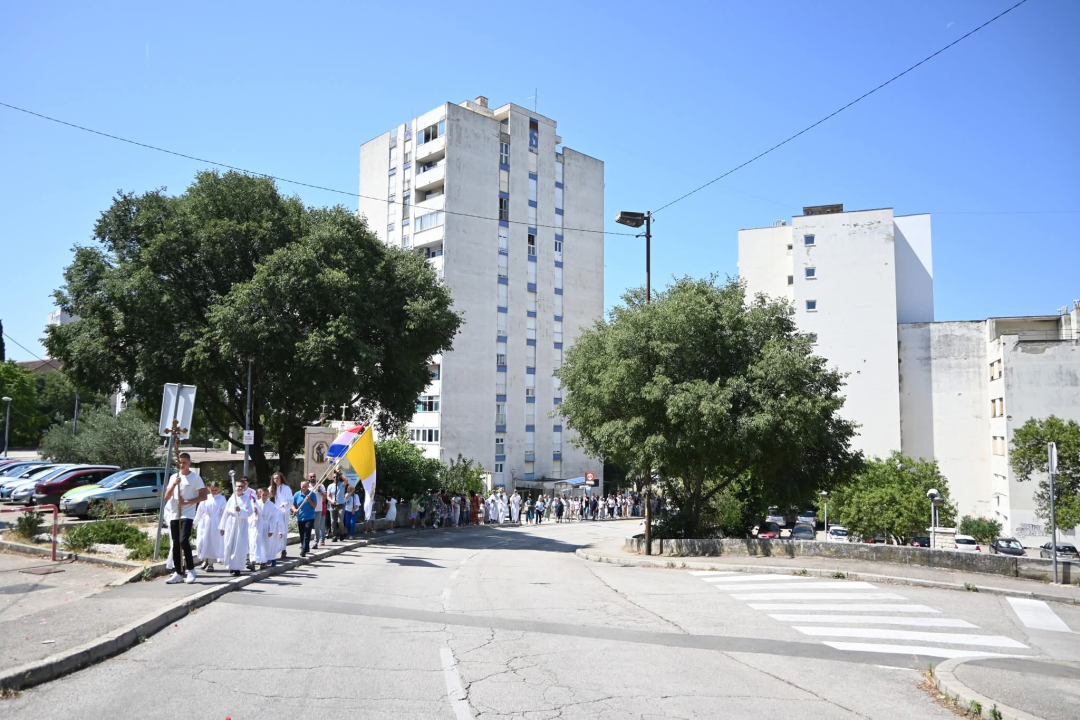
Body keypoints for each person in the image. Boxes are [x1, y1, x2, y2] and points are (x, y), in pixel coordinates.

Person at [163, 453, 208, 584]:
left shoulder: (195, 478)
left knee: (183, 540)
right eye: (180, 462)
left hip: (187, 514)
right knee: (176, 543)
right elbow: (166, 496)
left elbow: (203, 496)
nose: (182, 465)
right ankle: (178, 572)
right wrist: (174, 484)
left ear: (189, 463)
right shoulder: (174, 477)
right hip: (174, 513)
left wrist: (186, 503)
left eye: (184, 462)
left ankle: (191, 570)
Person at [219, 476, 255, 576]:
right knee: (229, 545)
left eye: (241, 486)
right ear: (235, 487)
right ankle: (231, 566)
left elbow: (250, 512)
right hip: (231, 524)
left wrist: (240, 510)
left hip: (241, 524)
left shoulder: (246, 499)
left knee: (239, 546)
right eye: (238, 486)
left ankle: (238, 567)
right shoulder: (232, 498)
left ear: (244, 488)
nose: (239, 488)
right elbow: (226, 512)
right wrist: (222, 527)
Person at [194, 482, 226, 572]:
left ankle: (211, 564)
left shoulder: (222, 499)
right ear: (209, 489)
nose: (214, 492)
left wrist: (223, 526)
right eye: (212, 490)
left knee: (213, 542)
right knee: (203, 541)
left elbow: (224, 513)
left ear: (218, 489)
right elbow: (200, 510)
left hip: (216, 522)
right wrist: (195, 521)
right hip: (205, 521)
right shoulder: (205, 498)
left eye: (216, 490)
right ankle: (206, 560)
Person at [254, 488, 282, 569]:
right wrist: (255, 512)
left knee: (266, 544)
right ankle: (259, 560)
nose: (264, 497)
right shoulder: (256, 503)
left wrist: (271, 530)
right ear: (260, 494)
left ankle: (265, 561)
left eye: (266, 495)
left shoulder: (271, 505)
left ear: (268, 495)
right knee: (259, 543)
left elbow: (273, 518)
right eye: (263, 495)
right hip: (259, 525)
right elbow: (253, 515)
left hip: (267, 525)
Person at [292, 479, 317, 557]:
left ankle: (303, 550)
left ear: (308, 486)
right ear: (300, 486)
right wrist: (294, 509)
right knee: (302, 534)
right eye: (303, 486)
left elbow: (314, 505)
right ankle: (306, 547)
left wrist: (309, 500)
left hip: (309, 517)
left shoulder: (312, 494)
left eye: (305, 486)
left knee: (307, 533)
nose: (304, 488)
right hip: (300, 517)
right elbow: (292, 504)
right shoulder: (297, 494)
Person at [271, 472, 293, 559]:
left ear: (281, 479)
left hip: (283, 512)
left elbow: (290, 500)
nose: (276, 480)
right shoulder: (272, 488)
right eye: (274, 479)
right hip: (275, 512)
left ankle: (283, 549)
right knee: (275, 531)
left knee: (283, 530)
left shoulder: (286, 488)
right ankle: (274, 550)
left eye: (277, 478)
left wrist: (285, 504)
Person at [328, 471, 348, 541]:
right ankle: (334, 536)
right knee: (333, 521)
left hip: (341, 505)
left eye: (337, 477)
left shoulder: (342, 484)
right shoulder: (330, 486)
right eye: (334, 477)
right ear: (332, 478)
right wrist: (332, 501)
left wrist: (340, 473)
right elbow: (328, 496)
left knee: (340, 521)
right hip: (333, 505)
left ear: (339, 477)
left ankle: (341, 533)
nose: (335, 478)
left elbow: (346, 480)